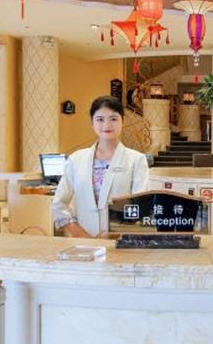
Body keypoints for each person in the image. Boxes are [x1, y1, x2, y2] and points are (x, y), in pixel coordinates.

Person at [52, 95, 149, 237]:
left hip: (120, 240)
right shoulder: (76, 159)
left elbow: (140, 206)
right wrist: (79, 234)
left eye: (113, 119)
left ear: (123, 121)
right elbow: (59, 204)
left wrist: (120, 234)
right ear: (92, 123)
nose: (107, 125)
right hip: (82, 240)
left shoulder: (137, 160)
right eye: (100, 119)